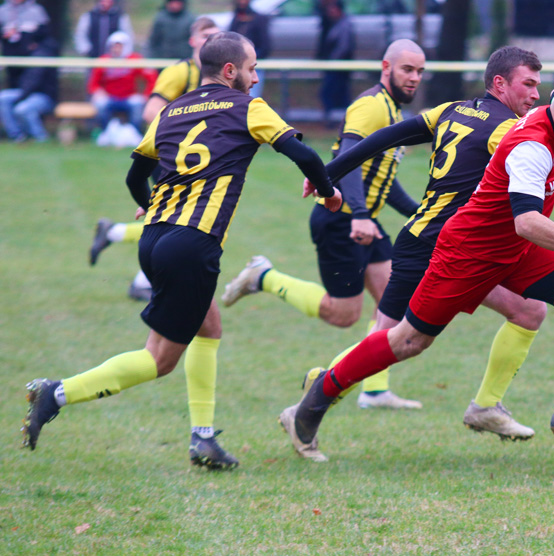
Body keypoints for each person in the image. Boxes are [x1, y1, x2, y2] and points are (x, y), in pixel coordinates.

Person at [21, 31, 342, 471]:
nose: (255, 77)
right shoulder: (249, 107)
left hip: (154, 240)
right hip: (193, 244)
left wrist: (151, 203)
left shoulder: (173, 108)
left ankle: (203, 439)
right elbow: (304, 156)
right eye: (252, 69)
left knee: (208, 327)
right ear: (230, 71)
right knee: (159, 359)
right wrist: (329, 193)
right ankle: (56, 394)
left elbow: (136, 177)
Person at [283, 62, 554, 462]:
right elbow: (526, 220)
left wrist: (328, 172)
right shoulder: (530, 143)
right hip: (468, 252)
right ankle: (313, 401)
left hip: (511, 250)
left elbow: (393, 135)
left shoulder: (547, 123)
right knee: (406, 340)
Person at [290, 46, 547, 443]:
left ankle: (486, 406)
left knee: (526, 310)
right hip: (439, 243)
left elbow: (383, 139)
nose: (535, 95)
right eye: (529, 84)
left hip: (434, 237)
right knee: (397, 339)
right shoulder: (505, 130)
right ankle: (320, 390)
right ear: (500, 83)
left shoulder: (451, 109)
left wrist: (329, 173)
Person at [221, 39, 426, 410]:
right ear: (386, 67)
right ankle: (263, 277)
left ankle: (374, 391)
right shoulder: (371, 106)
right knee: (343, 314)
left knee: (392, 307)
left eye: (419, 71)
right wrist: (359, 215)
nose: (414, 78)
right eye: (407, 69)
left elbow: (381, 177)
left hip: (366, 220)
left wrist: (419, 211)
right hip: (342, 220)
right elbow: (347, 158)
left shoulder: (393, 112)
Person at [89, 16, 221, 302]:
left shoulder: (220, 76)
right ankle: (141, 281)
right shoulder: (180, 72)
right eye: (205, 35)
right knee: (183, 225)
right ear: (193, 40)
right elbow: (151, 112)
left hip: (197, 162)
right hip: (169, 159)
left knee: (180, 222)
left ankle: (114, 233)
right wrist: (188, 135)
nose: (211, 40)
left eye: (216, 35)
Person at [88, 30, 157, 131]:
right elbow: (93, 84)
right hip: (109, 97)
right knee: (100, 104)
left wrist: (147, 95)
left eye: (119, 46)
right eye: (113, 46)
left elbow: (151, 77)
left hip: (129, 97)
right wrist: (97, 91)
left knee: (137, 104)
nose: (116, 49)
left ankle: (135, 134)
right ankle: (105, 133)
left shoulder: (134, 60)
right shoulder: (104, 61)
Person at [0, 36, 56, 142]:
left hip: (42, 95)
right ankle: (16, 136)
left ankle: (41, 137)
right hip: (26, 92)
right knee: (3, 97)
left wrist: (21, 97)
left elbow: (33, 82)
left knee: (22, 109)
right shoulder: (25, 53)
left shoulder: (41, 55)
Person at [317, 0, 354, 126]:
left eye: (333, 9)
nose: (330, 12)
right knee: (340, 96)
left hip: (338, 69)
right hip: (336, 68)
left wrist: (332, 62)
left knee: (331, 94)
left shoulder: (344, 25)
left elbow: (344, 48)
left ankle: (335, 121)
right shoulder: (334, 24)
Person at [0, 0, 50, 91]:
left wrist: (33, 42)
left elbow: (44, 32)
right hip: (10, 54)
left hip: (30, 55)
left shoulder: (36, 10)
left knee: (29, 80)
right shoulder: (3, 10)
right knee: (13, 82)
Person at [229, 0, 270, 100]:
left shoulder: (258, 19)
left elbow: (265, 45)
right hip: (237, 65)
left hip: (255, 64)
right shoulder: (236, 18)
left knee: (251, 97)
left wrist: (251, 58)